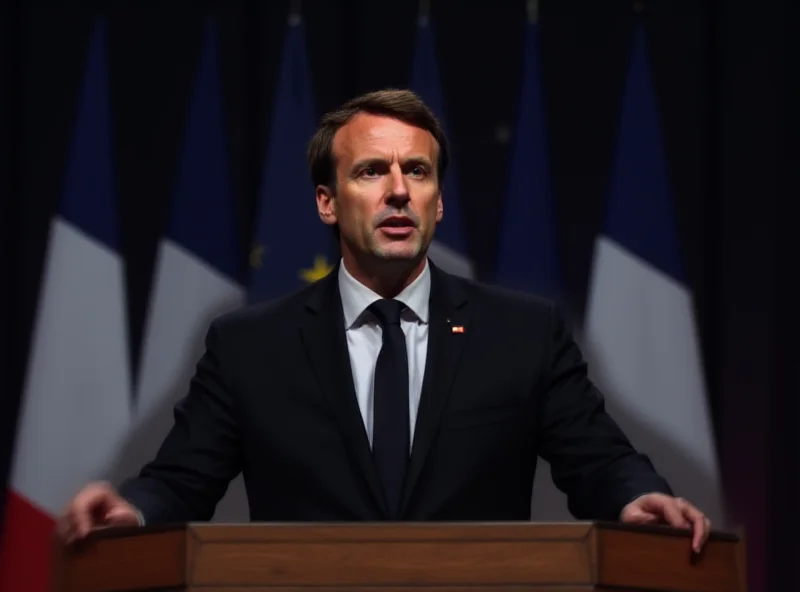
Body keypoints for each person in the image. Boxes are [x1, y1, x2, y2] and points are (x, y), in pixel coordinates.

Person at [59, 88, 711, 552]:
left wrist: (637, 497)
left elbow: (598, 460)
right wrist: (133, 510)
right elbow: (181, 479)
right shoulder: (249, 346)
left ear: (438, 202)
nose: (398, 189)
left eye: (417, 172)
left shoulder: (523, 334)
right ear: (326, 202)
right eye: (372, 171)